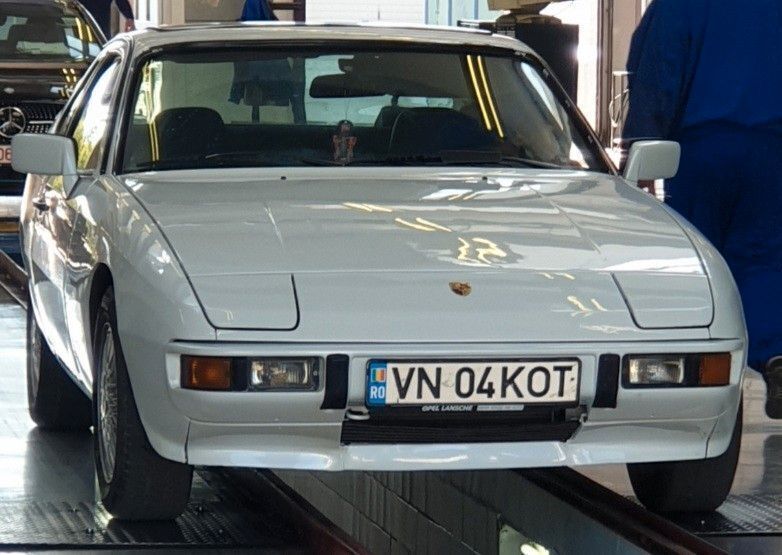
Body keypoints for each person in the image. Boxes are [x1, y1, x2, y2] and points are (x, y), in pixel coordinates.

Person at [623, 0, 782, 418]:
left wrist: (641, 145)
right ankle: (775, 355)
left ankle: (695, 379)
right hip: (773, 151)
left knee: (700, 263)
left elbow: (658, 66)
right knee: (764, 258)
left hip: (700, 150)